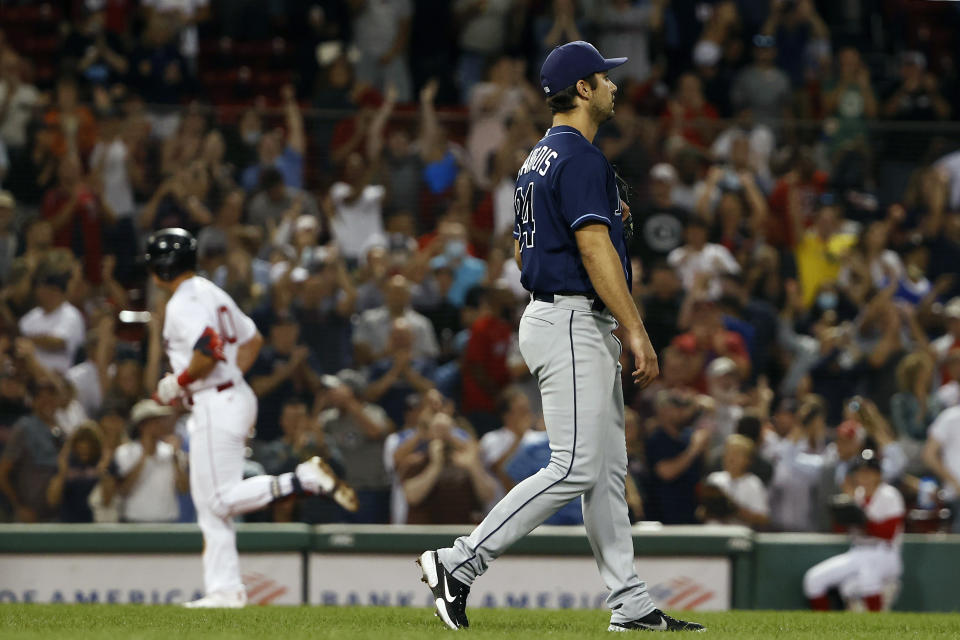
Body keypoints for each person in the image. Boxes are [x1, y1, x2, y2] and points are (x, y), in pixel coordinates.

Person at [417, 41, 703, 632]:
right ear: (582, 89)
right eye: (605, 78)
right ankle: (459, 562)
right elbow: (592, 247)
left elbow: (527, 246)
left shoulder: (537, 159)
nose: (614, 86)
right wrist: (637, 330)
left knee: (606, 472)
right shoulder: (578, 158)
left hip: (562, 314)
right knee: (574, 466)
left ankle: (630, 604)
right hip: (572, 317)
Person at [144, 227, 357, 608]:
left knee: (218, 501)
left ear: (160, 268)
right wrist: (229, 377)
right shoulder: (212, 291)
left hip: (216, 402)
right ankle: (226, 590)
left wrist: (180, 382)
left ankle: (301, 479)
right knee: (212, 505)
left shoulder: (182, 303)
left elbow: (208, 349)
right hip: (231, 397)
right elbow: (253, 340)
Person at [803, 450, 905, 611]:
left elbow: (888, 533)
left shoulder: (889, 494)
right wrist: (844, 507)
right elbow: (839, 529)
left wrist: (858, 513)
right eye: (860, 472)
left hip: (885, 553)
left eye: (869, 472)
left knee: (867, 575)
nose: (864, 476)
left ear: (878, 474)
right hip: (858, 551)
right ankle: (823, 629)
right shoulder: (855, 495)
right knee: (813, 579)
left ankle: (878, 627)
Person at [112, 399, 187, 523]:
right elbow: (124, 490)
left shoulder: (171, 452)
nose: (161, 424)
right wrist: (144, 456)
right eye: (155, 420)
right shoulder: (125, 452)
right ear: (142, 425)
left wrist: (175, 459)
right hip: (135, 520)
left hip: (167, 521)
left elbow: (183, 489)